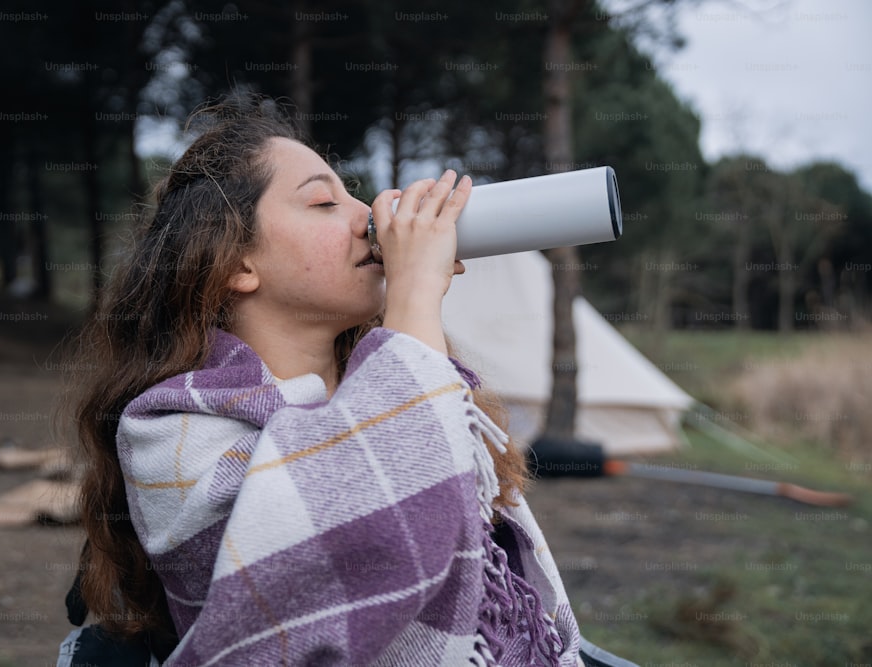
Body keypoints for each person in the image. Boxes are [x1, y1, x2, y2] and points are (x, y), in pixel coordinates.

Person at [63, 89, 583, 666]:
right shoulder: (172, 436)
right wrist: (413, 296)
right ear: (237, 264)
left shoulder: (418, 389)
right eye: (323, 204)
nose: (370, 216)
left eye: (354, 195)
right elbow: (356, 544)